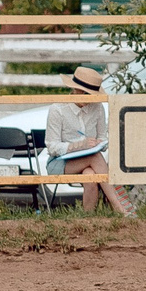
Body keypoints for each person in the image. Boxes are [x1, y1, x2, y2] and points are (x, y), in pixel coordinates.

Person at [45, 65, 135, 217]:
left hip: (90, 162)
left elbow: (103, 138)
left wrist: (98, 143)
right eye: (84, 93)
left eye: (90, 94)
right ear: (74, 89)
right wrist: (80, 145)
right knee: (94, 158)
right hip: (60, 162)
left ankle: (88, 220)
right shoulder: (58, 109)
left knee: (91, 176)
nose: (87, 98)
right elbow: (52, 147)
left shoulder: (97, 107)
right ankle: (119, 207)